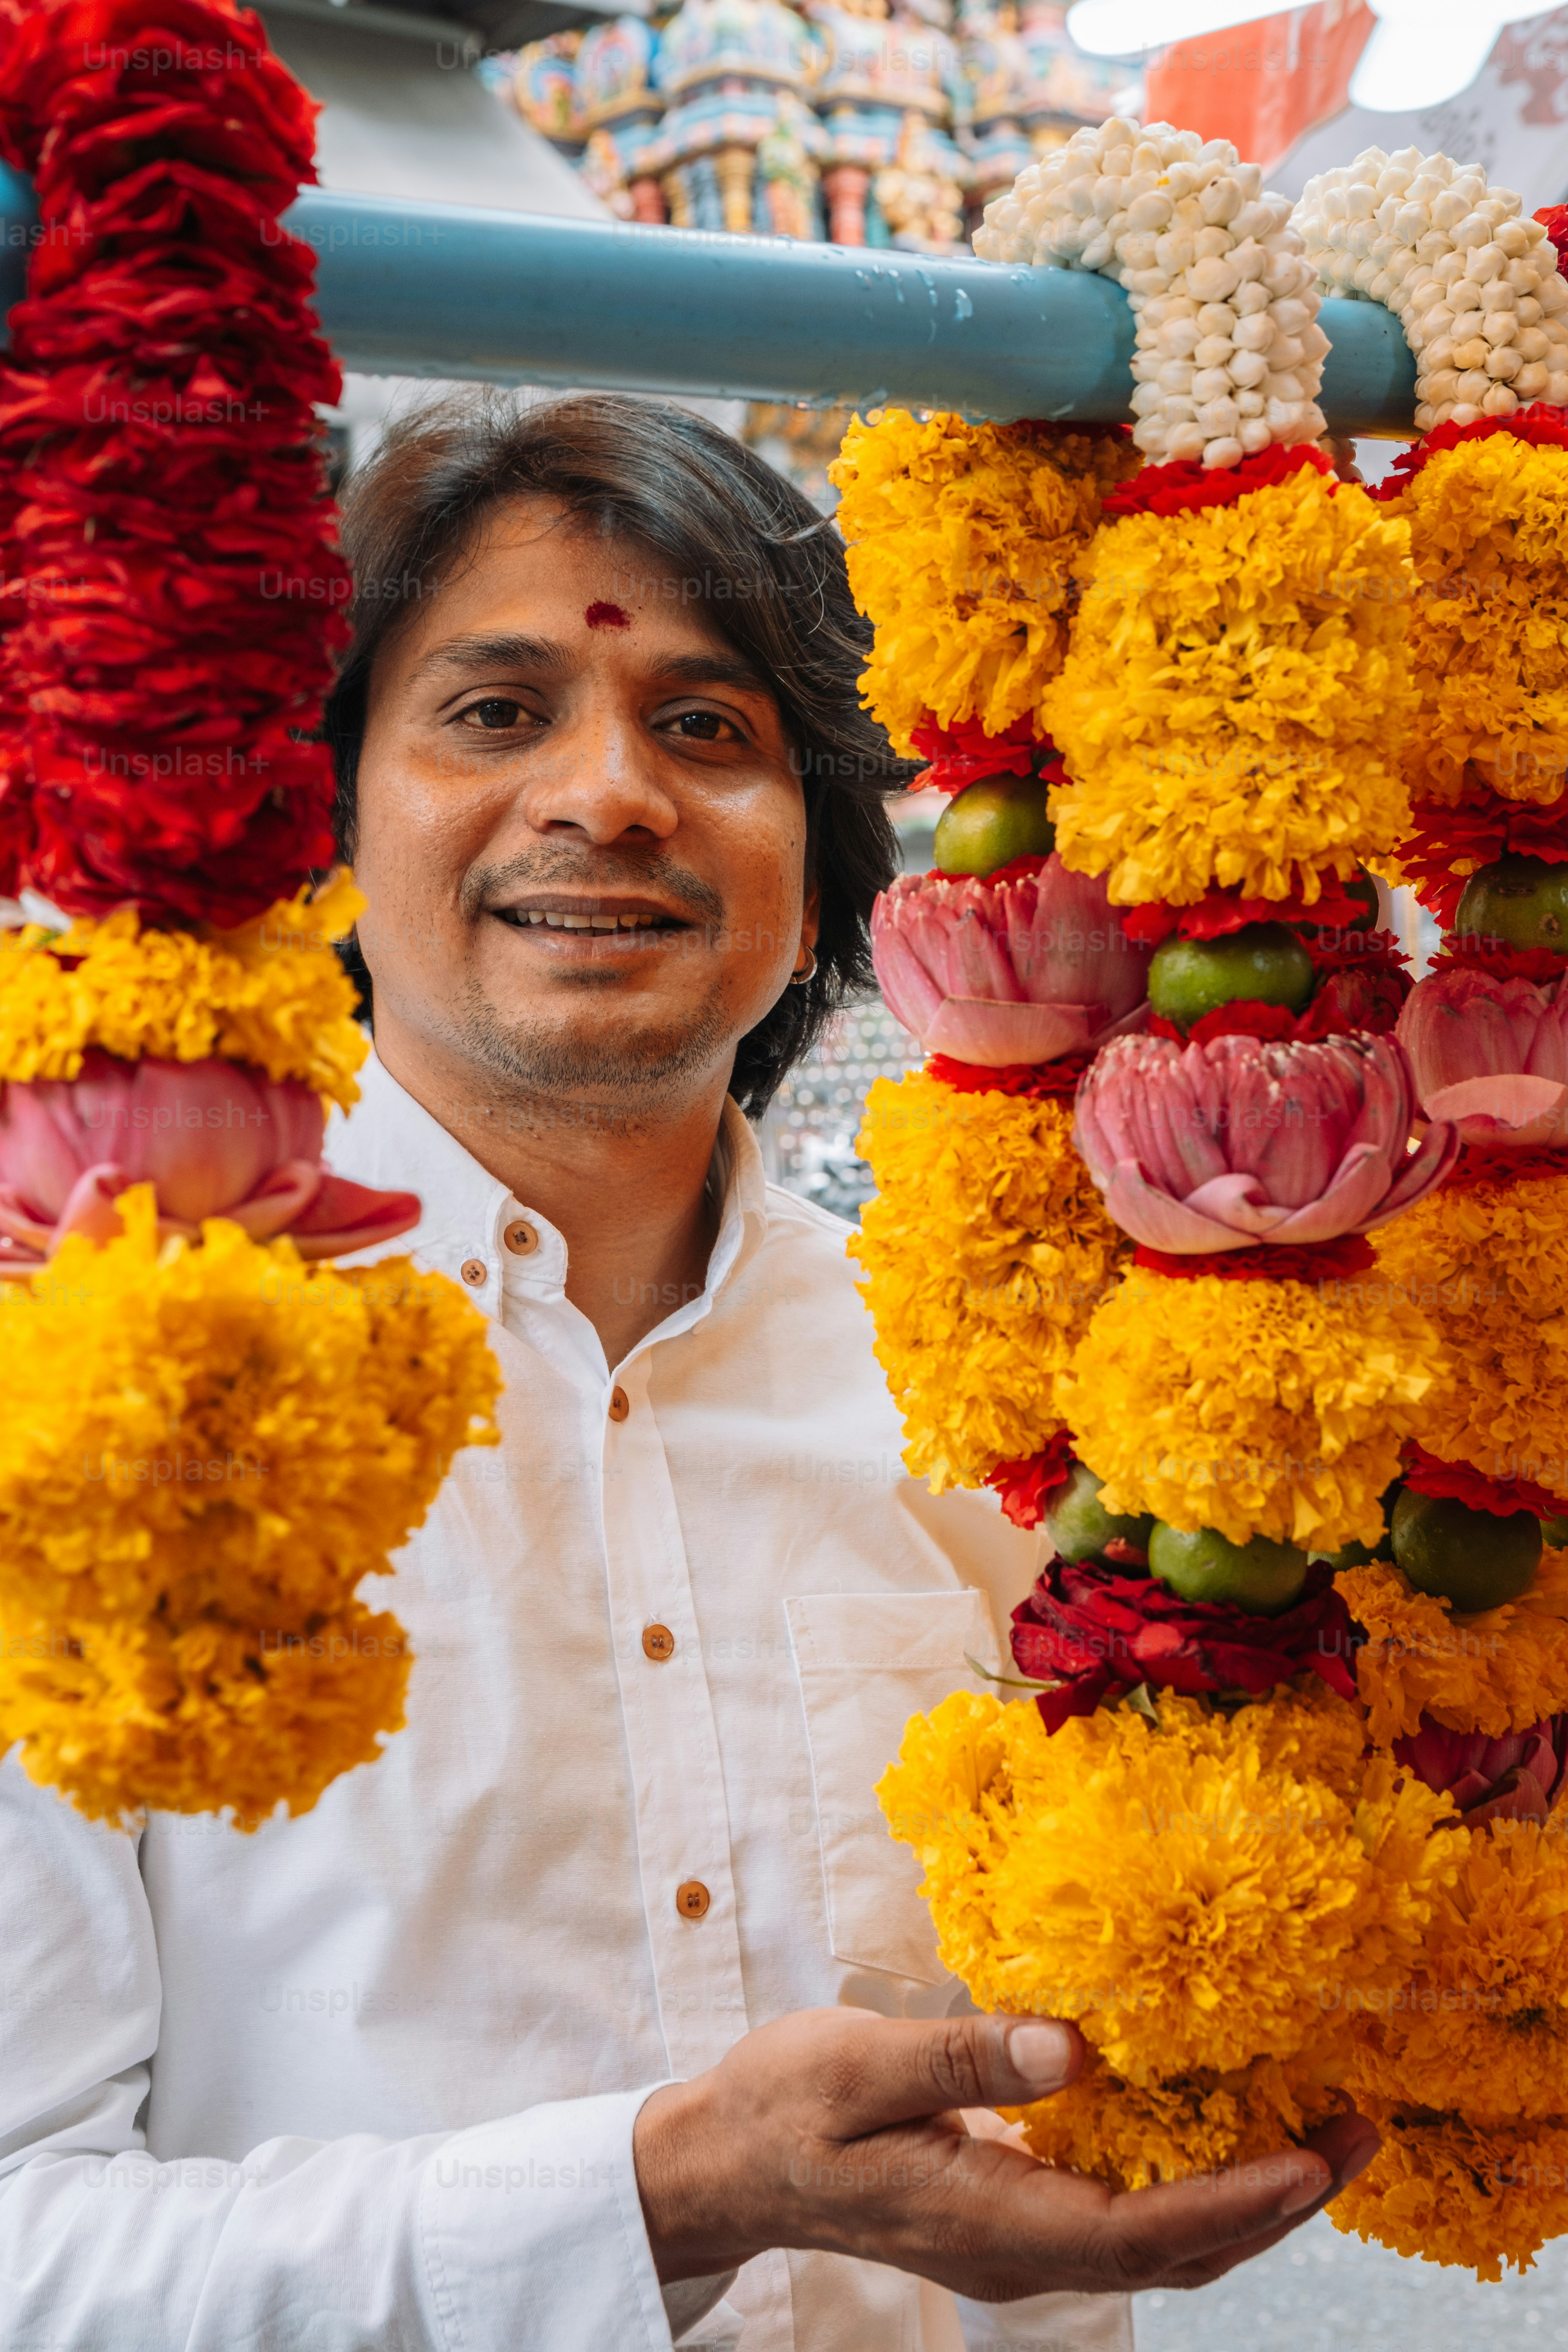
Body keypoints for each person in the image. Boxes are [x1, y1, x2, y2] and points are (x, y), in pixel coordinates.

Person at [0, 394, 1376, 2350]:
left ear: (819, 874)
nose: (611, 795)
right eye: (495, 711)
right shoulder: (87, 1407)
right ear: (322, 833)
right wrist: (659, 2200)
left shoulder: (1008, 1397)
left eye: (709, 729)